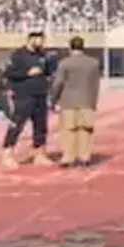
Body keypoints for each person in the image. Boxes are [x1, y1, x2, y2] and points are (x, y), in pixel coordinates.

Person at [0, 30, 54, 169]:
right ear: (31, 39)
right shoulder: (18, 55)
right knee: (17, 124)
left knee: (41, 126)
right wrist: (26, 73)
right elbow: (8, 73)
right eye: (39, 39)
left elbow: (48, 72)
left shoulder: (43, 55)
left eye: (43, 39)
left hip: (40, 94)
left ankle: (39, 154)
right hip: (24, 95)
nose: (41, 42)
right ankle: (7, 154)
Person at [50, 35, 102, 168]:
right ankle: (85, 156)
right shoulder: (93, 63)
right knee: (86, 130)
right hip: (86, 100)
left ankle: (68, 157)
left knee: (69, 130)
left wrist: (53, 99)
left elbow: (58, 83)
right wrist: (93, 102)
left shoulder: (64, 63)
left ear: (70, 47)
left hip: (68, 101)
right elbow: (95, 84)